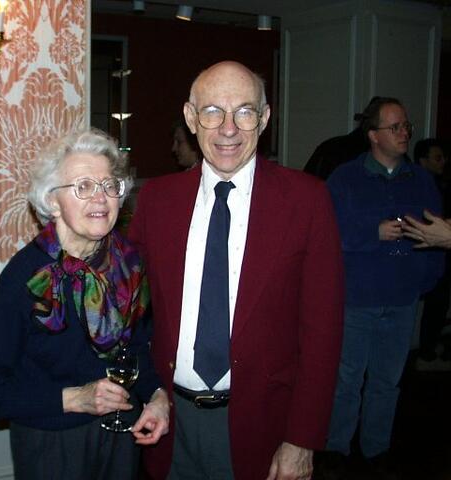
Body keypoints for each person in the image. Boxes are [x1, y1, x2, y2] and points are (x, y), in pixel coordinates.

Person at [129, 61, 345, 480]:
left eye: (244, 112)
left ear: (264, 118)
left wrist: (302, 439)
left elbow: (324, 332)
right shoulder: (157, 200)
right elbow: (126, 306)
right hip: (170, 423)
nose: (228, 129)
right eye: (212, 111)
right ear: (191, 117)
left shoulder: (307, 201)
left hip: (263, 427)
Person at [0, 129, 169, 480]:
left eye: (109, 185)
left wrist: (156, 395)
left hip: (121, 433)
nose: (101, 198)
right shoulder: (26, 277)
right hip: (51, 442)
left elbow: (137, 350)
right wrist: (74, 399)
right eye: (83, 187)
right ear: (53, 202)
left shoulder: (128, 263)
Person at [325, 98, 443, 474]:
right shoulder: (344, 179)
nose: (404, 132)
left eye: (406, 125)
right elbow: (325, 234)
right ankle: (336, 449)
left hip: (402, 300)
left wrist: (423, 282)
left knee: (387, 382)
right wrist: (371, 232)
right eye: (395, 127)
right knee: (347, 380)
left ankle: (376, 450)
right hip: (356, 299)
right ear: (373, 135)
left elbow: (437, 236)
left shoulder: (422, 181)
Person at [411, 139, 451, 370]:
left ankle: (428, 350)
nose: (443, 162)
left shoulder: (439, 184)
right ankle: (426, 354)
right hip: (428, 258)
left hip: (438, 256)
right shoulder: (419, 186)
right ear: (423, 161)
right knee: (435, 305)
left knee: (438, 305)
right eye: (438, 158)